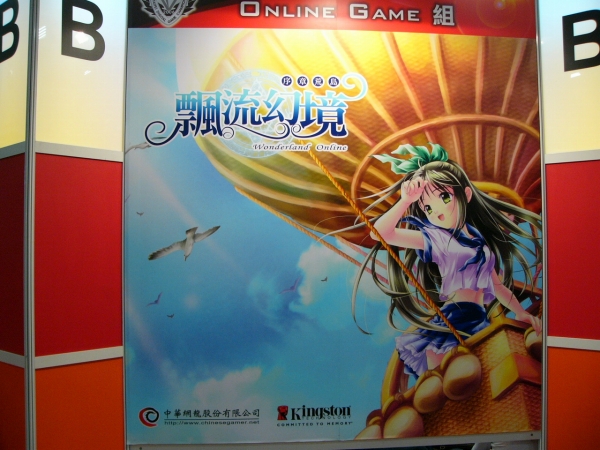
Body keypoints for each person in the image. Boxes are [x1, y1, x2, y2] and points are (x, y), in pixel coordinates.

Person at [352, 143, 542, 378]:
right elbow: (379, 233)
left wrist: (520, 312)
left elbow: (497, 286)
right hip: (454, 316)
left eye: (444, 197)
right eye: (427, 208)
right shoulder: (437, 238)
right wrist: (405, 201)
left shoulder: (481, 244)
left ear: (466, 195)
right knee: (450, 376)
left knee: (483, 374)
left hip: (478, 318)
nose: (437, 211)